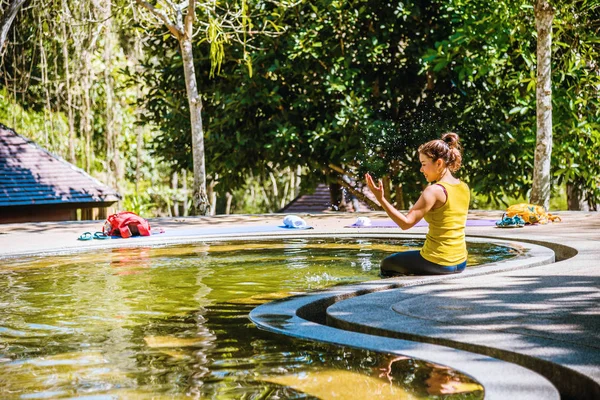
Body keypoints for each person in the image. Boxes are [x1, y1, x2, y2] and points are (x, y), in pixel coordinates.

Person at [365, 132, 470, 276]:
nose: (421, 169)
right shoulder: (464, 187)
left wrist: (381, 199)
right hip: (461, 261)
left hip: (439, 262)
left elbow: (405, 223)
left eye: (423, 164)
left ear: (439, 163)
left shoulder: (434, 191)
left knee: (387, 264)